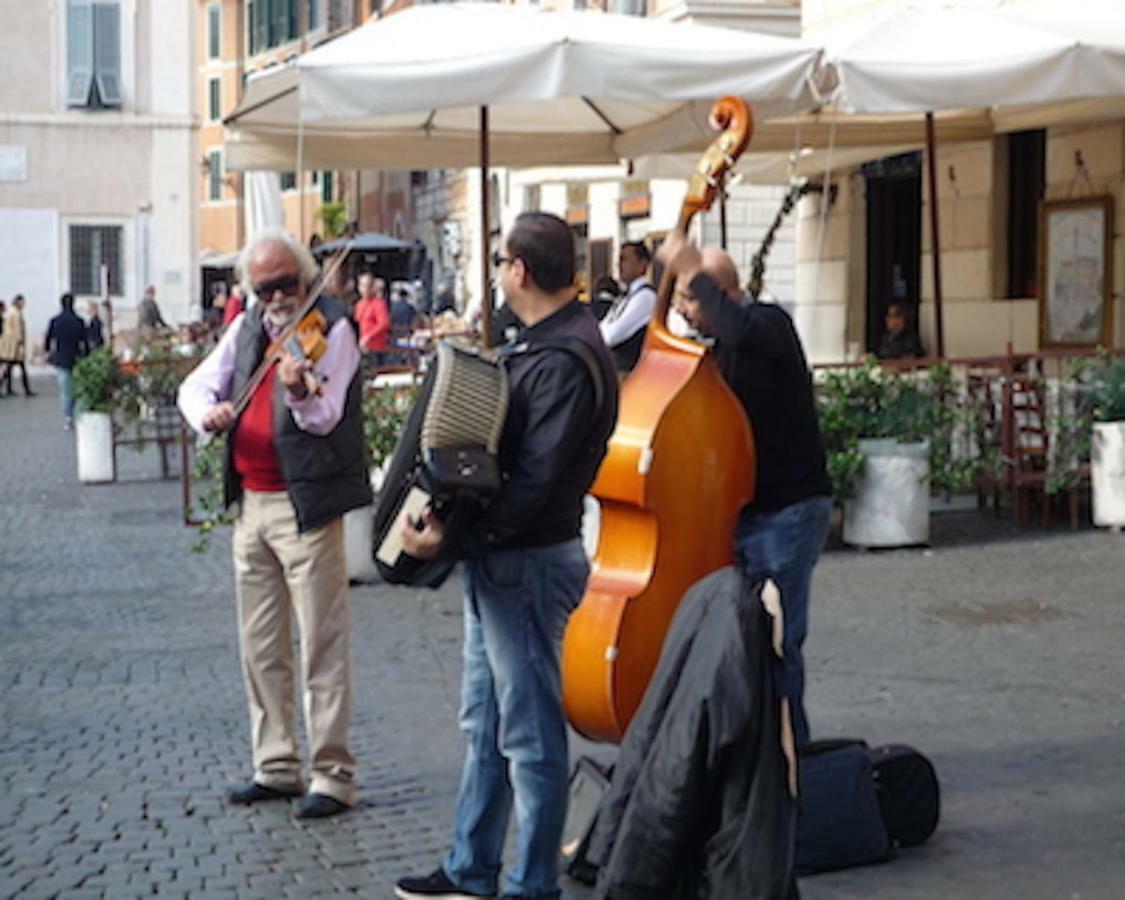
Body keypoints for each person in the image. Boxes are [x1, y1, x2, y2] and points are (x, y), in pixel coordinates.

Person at [393, 211, 619, 900]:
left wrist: (454, 539)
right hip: (507, 563)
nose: (496, 273)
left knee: (528, 737)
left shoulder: (563, 358)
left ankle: (530, 886)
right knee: (487, 724)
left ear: (518, 270)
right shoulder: (554, 346)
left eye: (499, 262)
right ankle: (470, 869)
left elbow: (534, 482)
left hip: (526, 563)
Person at [177, 227, 371, 820]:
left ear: (307, 277)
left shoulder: (331, 327)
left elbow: (326, 413)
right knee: (259, 645)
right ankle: (276, 764)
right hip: (253, 506)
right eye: (265, 289)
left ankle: (332, 774)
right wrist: (208, 415)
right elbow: (194, 385)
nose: (278, 298)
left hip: (304, 506)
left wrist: (298, 393)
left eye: (287, 284)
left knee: (321, 641)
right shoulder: (247, 329)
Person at [657, 234, 833, 748]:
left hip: (788, 511)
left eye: (690, 299)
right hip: (746, 513)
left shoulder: (768, 325)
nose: (686, 312)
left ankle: (789, 765)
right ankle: (755, 761)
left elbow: (737, 325)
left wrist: (692, 270)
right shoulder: (721, 348)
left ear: (721, 292)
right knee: (744, 643)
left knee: (778, 644)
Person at [598, 241, 656, 372]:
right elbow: (605, 324)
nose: (619, 265)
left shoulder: (645, 297)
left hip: (629, 371)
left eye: (624, 259)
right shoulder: (625, 297)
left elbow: (612, 335)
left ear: (642, 264)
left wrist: (596, 335)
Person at [44, 293, 89, 427]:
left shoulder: (55, 321)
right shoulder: (79, 321)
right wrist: (86, 355)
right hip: (76, 357)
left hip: (61, 357)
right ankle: (77, 413)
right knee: (77, 388)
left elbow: (48, 339)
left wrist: (48, 352)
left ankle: (68, 416)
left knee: (64, 389)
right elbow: (84, 341)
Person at [353, 273, 390, 370]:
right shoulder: (359, 304)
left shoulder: (378, 303)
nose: (365, 289)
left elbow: (384, 323)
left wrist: (368, 336)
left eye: (368, 286)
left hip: (376, 348)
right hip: (362, 347)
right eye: (363, 286)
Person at [1, 294, 35, 396]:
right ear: (18, 302)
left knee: (10, 367)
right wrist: (20, 343)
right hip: (14, 345)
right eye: (22, 302)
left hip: (10, 345)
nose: (23, 304)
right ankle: (26, 389)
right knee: (15, 367)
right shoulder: (16, 313)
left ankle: (9, 388)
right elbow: (17, 330)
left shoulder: (10, 312)